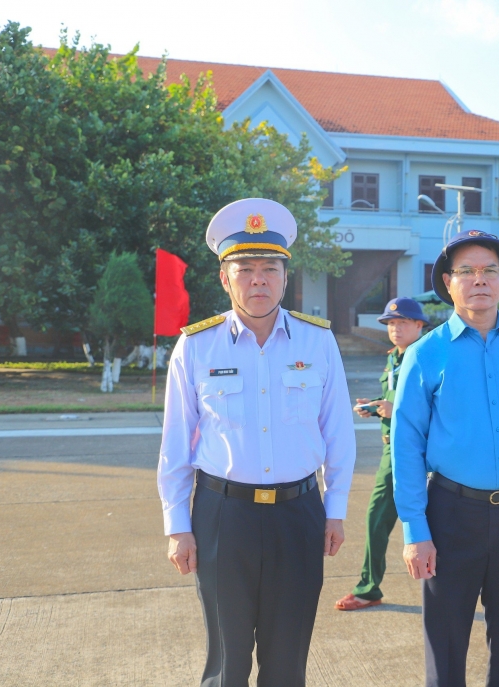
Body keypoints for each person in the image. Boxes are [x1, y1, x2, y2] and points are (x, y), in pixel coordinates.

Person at [157, 198, 355, 687]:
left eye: (271, 268)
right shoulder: (196, 346)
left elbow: (339, 433)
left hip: (300, 511)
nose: (259, 280)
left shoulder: (317, 342)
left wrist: (335, 509)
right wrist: (177, 525)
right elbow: (176, 443)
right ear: (225, 279)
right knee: (227, 661)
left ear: (286, 278)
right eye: (245, 269)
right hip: (224, 516)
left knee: (288, 659)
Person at [391, 229, 499, 687]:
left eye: (490, 270)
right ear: (448, 283)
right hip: (450, 513)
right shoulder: (425, 354)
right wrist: (415, 529)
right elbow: (406, 445)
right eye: (466, 272)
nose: (480, 280)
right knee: (446, 640)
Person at [336, 297, 429, 611]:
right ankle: (369, 586)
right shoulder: (395, 359)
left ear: (420, 325)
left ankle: (370, 587)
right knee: (378, 517)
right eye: (390, 323)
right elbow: (393, 397)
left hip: (417, 453)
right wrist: (376, 406)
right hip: (394, 450)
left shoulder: (428, 358)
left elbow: (441, 409)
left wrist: (395, 411)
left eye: (402, 322)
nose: (395, 329)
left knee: (422, 522)